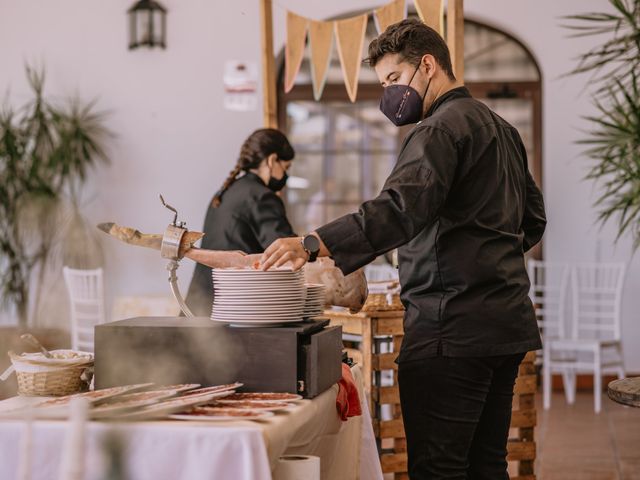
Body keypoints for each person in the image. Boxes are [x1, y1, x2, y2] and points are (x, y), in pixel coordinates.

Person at [261, 18, 546, 480]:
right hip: (506, 325)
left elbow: (397, 209)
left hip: (450, 331)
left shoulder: (437, 130)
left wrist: (314, 243)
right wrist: (481, 256)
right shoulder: (503, 131)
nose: (390, 92)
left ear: (428, 65)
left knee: (439, 469)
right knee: (487, 465)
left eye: (393, 78)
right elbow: (532, 221)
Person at [185, 128, 296, 316]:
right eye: (285, 168)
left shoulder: (225, 192)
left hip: (198, 305)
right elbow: (286, 253)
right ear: (271, 160)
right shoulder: (263, 197)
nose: (285, 176)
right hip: (232, 310)